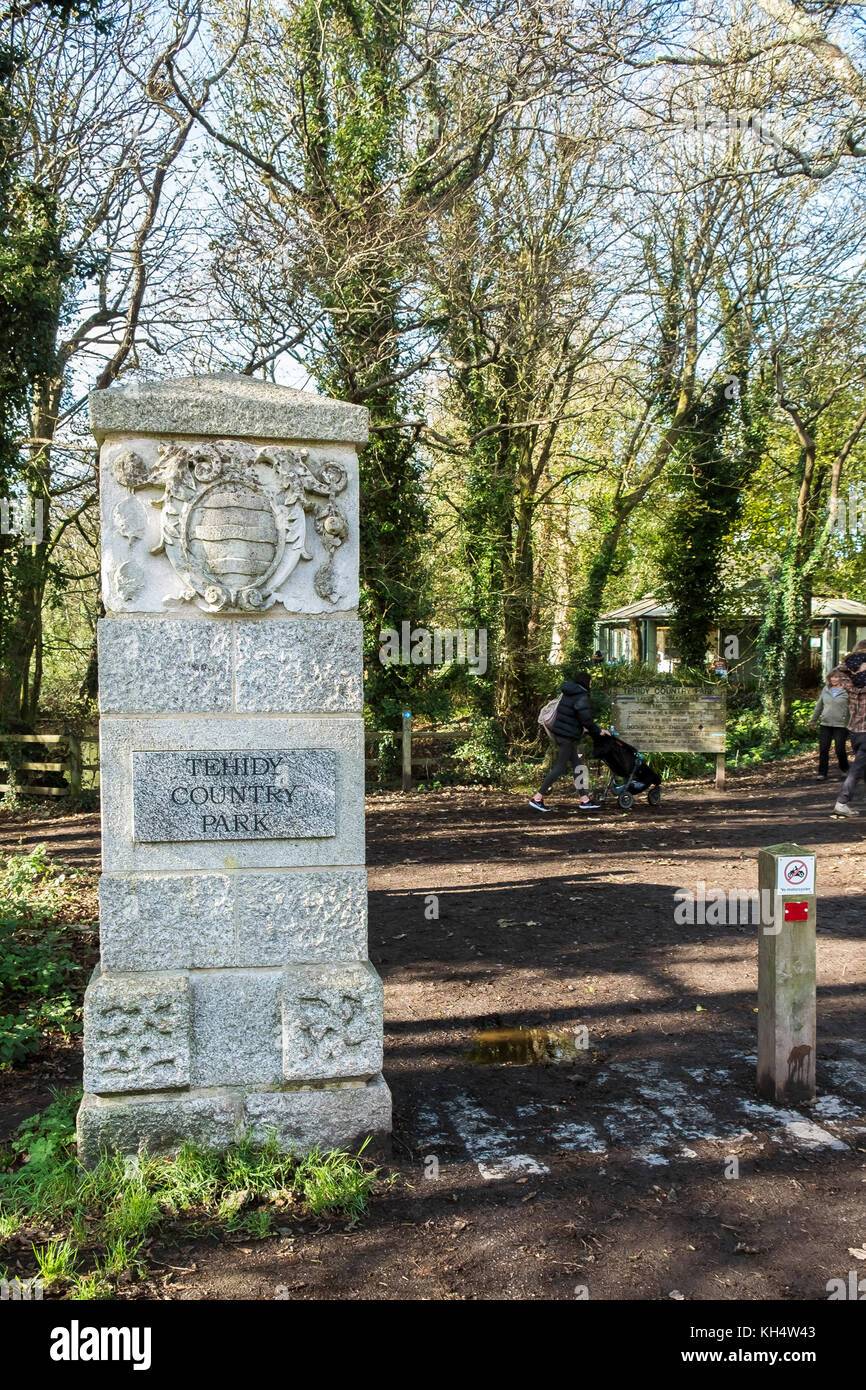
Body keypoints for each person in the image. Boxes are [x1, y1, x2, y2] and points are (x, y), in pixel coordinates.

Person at [529, 674, 608, 813]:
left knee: (577, 765)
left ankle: (584, 799)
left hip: (562, 734)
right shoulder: (581, 696)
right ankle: (537, 797)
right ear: (585, 682)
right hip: (567, 737)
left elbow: (571, 715)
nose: (591, 684)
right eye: (590, 682)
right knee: (560, 767)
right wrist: (598, 731)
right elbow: (586, 719)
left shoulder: (568, 693)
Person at [827, 639, 866, 817]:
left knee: (862, 766)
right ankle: (842, 802)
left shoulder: (845, 675)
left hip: (855, 729)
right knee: (858, 768)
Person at [809, 671, 850, 780]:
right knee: (823, 749)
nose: (833, 679)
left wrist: (852, 722)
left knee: (839, 749)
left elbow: (853, 709)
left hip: (841, 725)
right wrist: (813, 720)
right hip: (825, 724)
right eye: (832, 677)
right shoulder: (826, 690)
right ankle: (822, 773)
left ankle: (845, 770)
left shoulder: (847, 691)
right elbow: (819, 706)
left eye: (836, 677)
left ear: (841, 678)